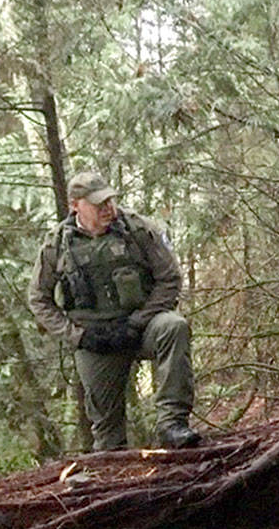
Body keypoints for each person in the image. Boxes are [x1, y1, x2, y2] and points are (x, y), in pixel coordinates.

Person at [28, 170, 201, 450]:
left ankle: (173, 425)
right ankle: (116, 464)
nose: (107, 208)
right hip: (96, 340)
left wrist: (137, 322)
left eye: (109, 201)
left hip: (142, 327)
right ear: (75, 205)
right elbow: (38, 299)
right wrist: (79, 337)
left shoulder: (137, 229)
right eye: (98, 204)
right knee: (107, 437)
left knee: (173, 327)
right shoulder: (57, 245)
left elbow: (170, 279)